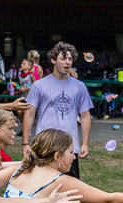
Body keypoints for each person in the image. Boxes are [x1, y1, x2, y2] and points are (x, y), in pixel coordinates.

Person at [22, 41, 93, 179]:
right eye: (63, 58)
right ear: (53, 60)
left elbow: (84, 115)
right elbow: (29, 113)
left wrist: (85, 143)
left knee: (69, 191)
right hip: (44, 145)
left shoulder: (80, 87)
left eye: (70, 59)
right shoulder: (39, 85)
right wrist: (25, 143)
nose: (67, 62)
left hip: (69, 147)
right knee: (42, 189)